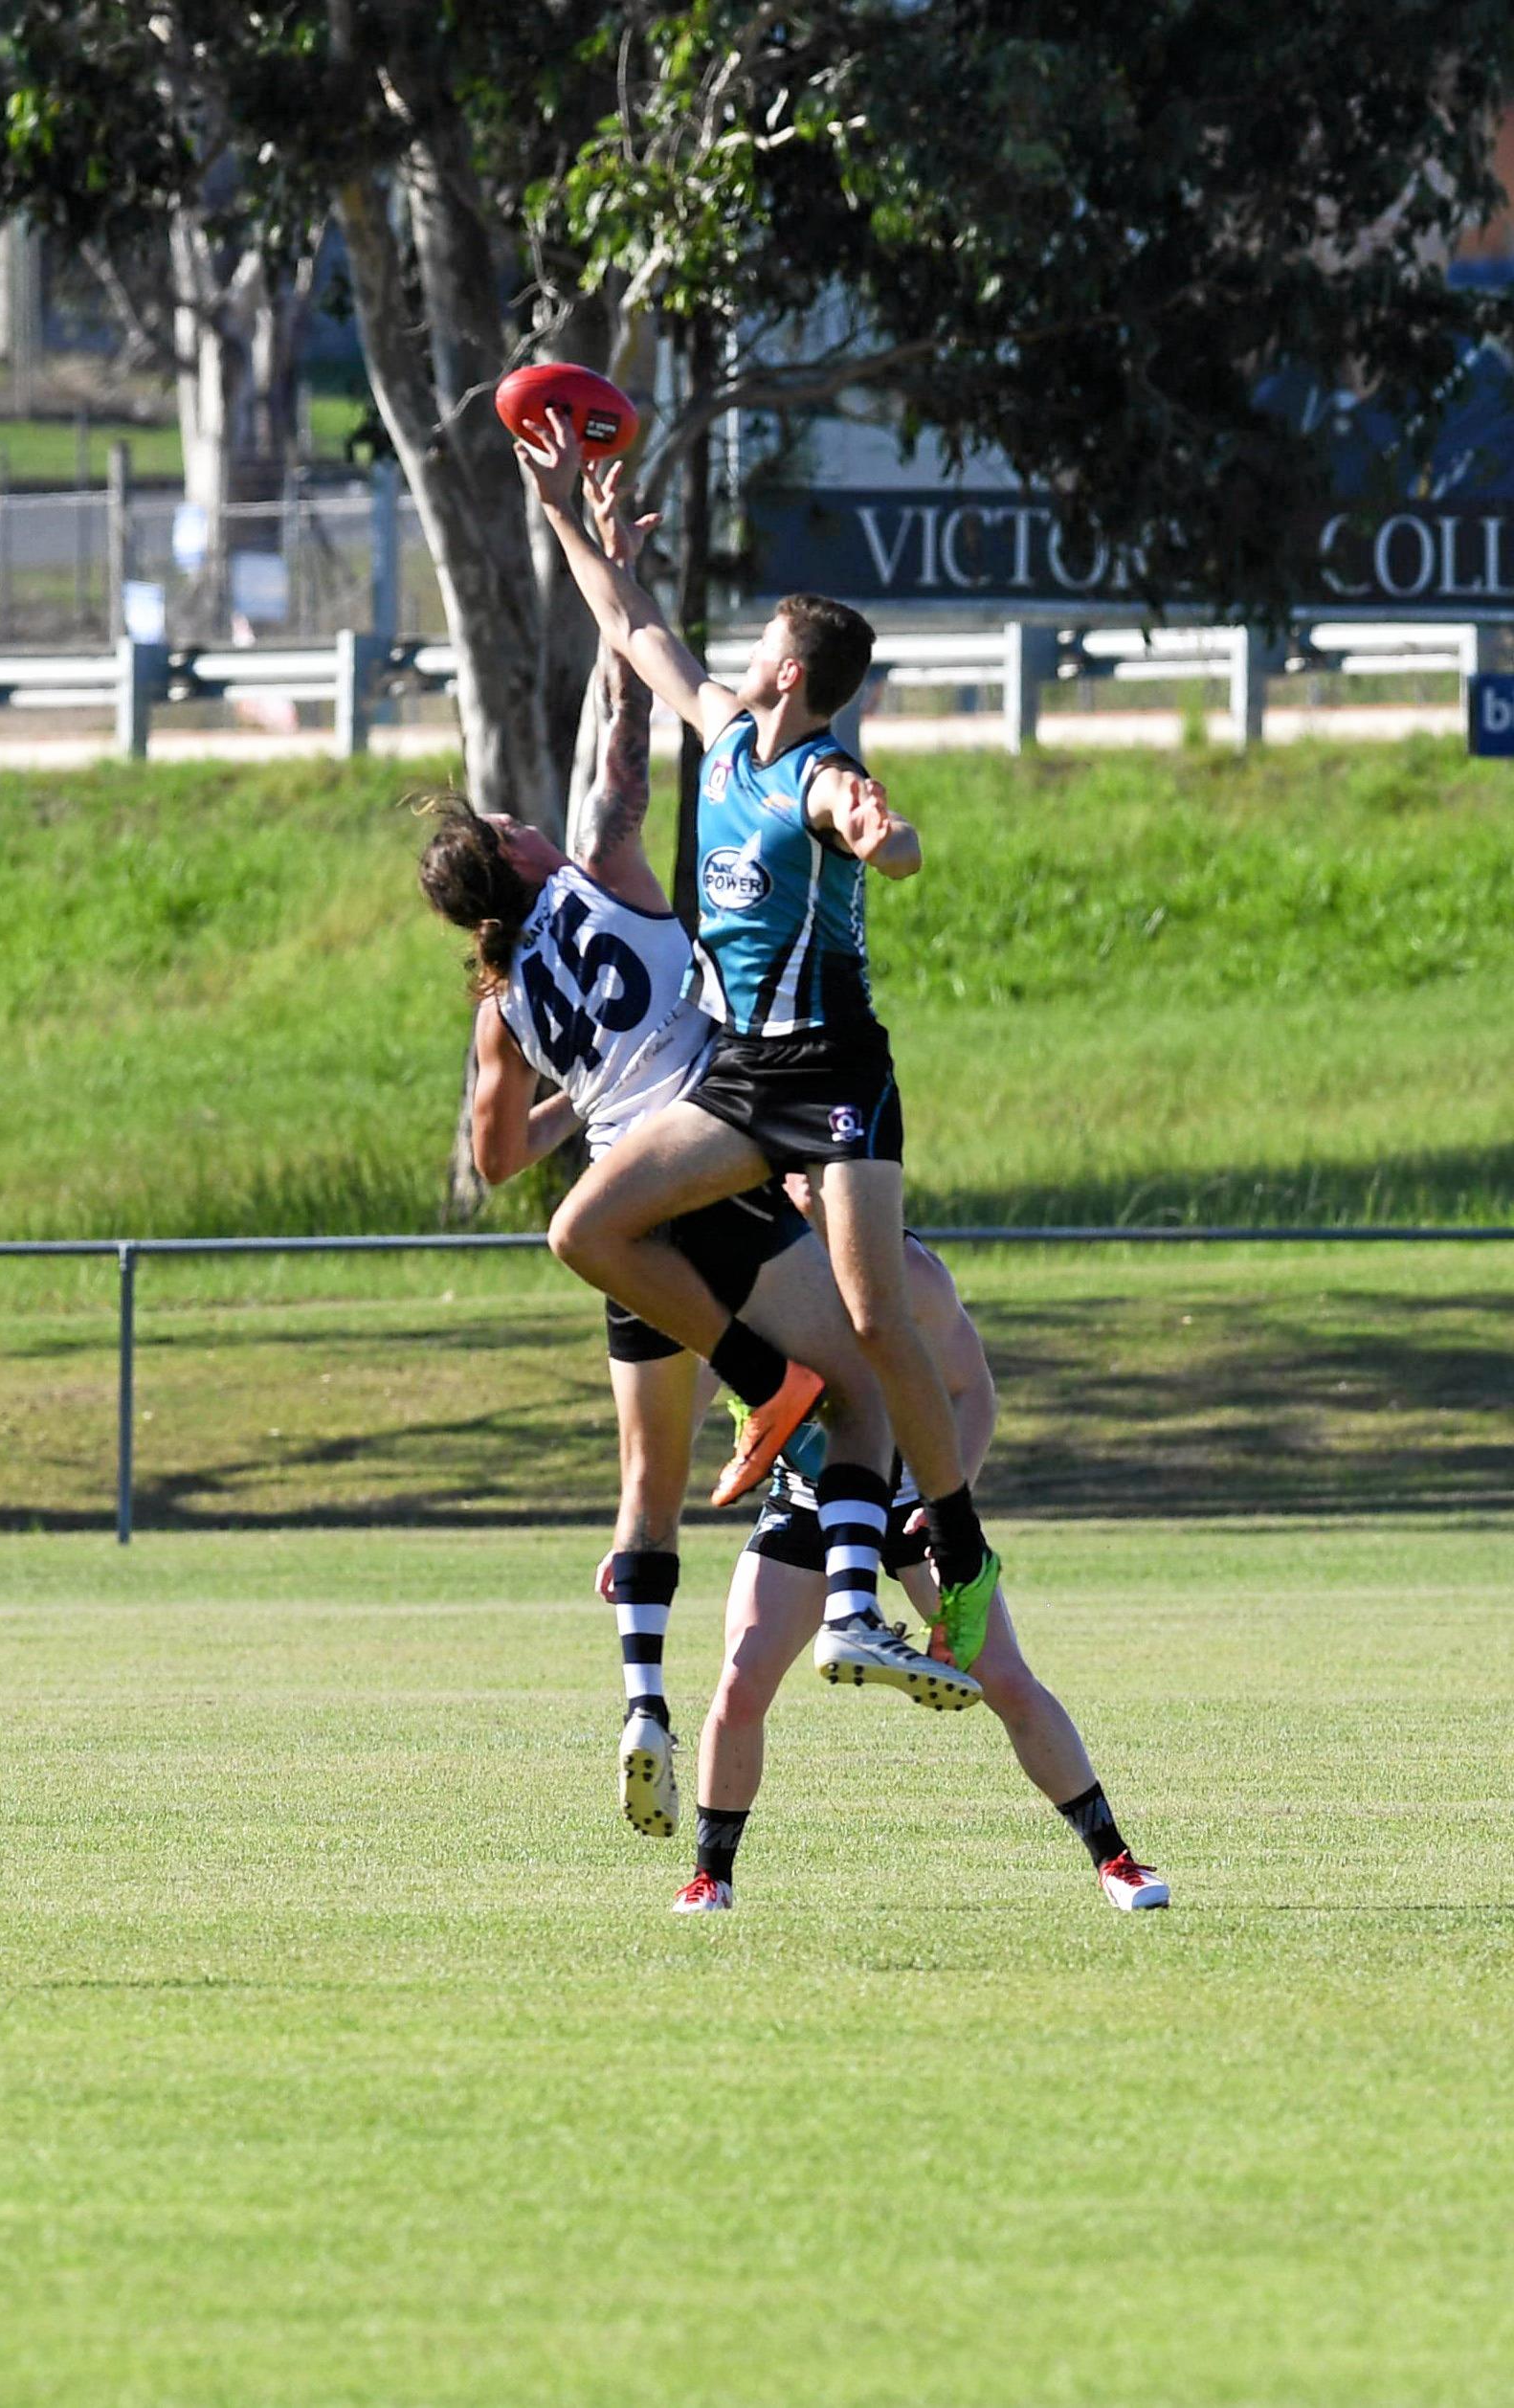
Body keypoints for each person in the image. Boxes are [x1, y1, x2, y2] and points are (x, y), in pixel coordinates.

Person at [415, 508, 979, 1843]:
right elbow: (625, 676)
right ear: (523, 854)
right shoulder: (628, 834)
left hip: (713, 1142)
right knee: (873, 1339)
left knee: (664, 1467)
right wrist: (574, 541)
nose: (522, 815)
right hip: (720, 1136)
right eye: (508, 816)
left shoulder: (505, 993)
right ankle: (874, 1573)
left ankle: (660, 1694)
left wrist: (882, 833)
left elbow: (496, 1155)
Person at [517, 416, 1005, 1703]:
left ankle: (961, 1553)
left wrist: (887, 838)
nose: (741, 657)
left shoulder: (822, 776)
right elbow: (629, 621)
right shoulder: (726, 731)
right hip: (742, 1080)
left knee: (874, 1316)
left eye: (763, 649)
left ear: (796, 675)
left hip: (839, 1078)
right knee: (586, 1227)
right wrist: (566, 507)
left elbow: (873, 823)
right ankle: (765, 1384)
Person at [670, 1222, 1170, 1916]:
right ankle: (710, 1878)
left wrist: (949, 1500)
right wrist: (640, 1534)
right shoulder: (740, 1271)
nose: (805, 1189)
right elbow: (680, 1397)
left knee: (1005, 1680)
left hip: (913, 1504)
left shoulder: (905, 1268)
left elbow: (973, 1392)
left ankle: (1114, 1859)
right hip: (807, 1503)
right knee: (740, 1683)